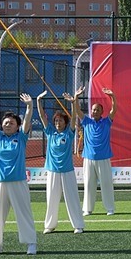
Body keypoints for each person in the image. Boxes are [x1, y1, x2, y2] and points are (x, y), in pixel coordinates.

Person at [0, 90, 38, 256]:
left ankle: (31, 243)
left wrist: (30, 106)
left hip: (18, 181)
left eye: (11, 123)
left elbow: (27, 121)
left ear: (17, 126)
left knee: (24, 213)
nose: (7, 125)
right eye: (5, 123)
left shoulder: (21, 137)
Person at [37, 91, 85, 235]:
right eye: (56, 121)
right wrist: (38, 101)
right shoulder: (50, 132)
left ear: (65, 122)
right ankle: (50, 225)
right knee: (51, 199)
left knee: (72, 198)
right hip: (52, 171)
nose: (58, 123)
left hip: (67, 171)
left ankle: (78, 225)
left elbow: (75, 116)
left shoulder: (69, 133)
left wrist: (73, 102)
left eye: (61, 121)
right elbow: (41, 117)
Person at [79, 86, 117, 217]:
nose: (94, 111)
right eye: (93, 109)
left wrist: (113, 97)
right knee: (89, 184)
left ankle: (110, 208)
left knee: (106, 184)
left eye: (97, 110)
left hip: (104, 158)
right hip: (88, 159)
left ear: (102, 112)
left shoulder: (107, 122)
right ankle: (87, 209)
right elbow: (78, 111)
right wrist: (76, 97)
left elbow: (114, 110)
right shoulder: (86, 121)